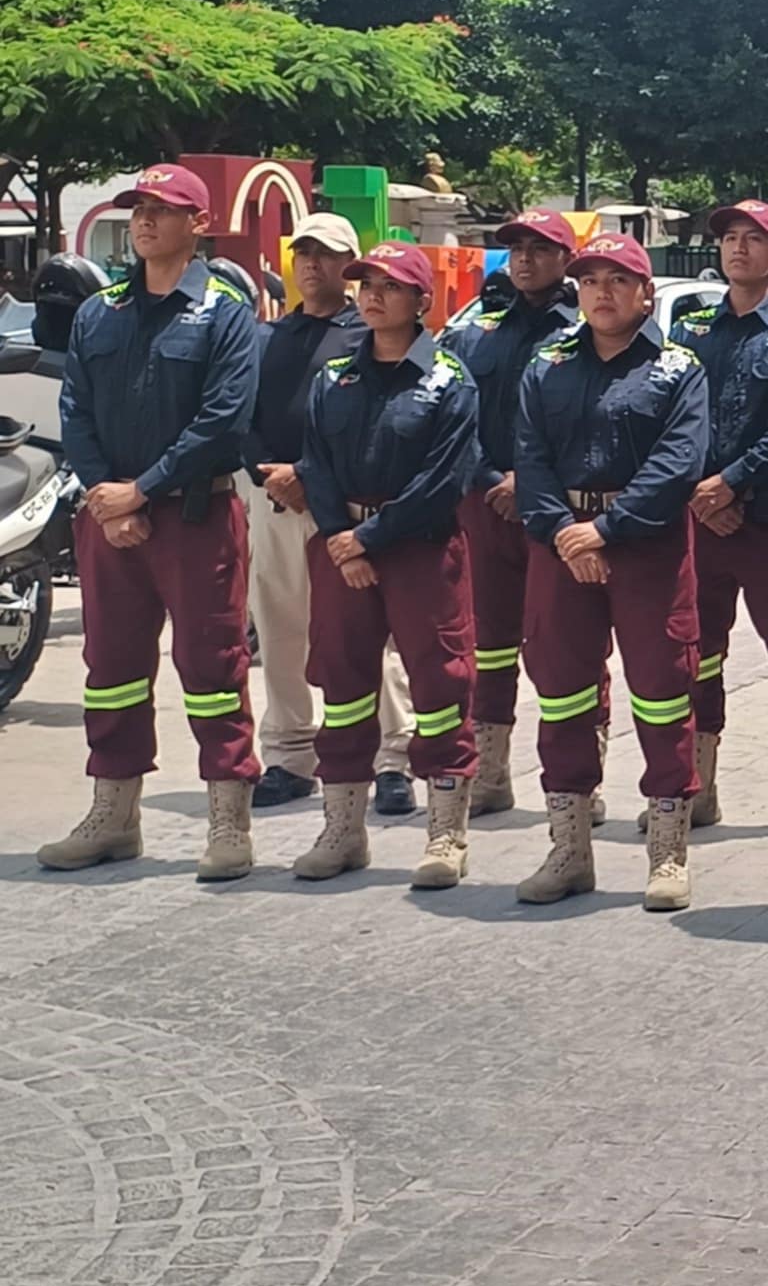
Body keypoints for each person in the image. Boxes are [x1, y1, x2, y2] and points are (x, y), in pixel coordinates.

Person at [39, 163, 263, 880]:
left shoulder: (225, 311)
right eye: (137, 208)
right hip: (109, 521)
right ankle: (114, 813)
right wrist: (107, 492)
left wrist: (144, 490)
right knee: (110, 671)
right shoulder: (100, 312)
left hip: (193, 516)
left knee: (212, 669)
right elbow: (75, 405)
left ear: (199, 225)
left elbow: (223, 418)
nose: (144, 221)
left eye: (163, 210)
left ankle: (229, 821)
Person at [513, 235, 712, 909]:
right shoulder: (547, 366)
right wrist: (566, 533)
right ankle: (568, 850)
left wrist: (606, 528)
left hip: (645, 548)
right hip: (562, 545)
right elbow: (530, 457)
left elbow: (678, 463)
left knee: (662, 694)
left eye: (617, 280)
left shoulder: (678, 368)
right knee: (562, 692)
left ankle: (667, 854)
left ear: (646, 293)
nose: (601, 291)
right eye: (590, 279)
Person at [293, 242, 481, 887]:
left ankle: (445, 832)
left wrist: (370, 538)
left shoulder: (449, 379)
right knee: (342, 687)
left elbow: (443, 478)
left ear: (422, 301)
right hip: (342, 547)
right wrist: (341, 535)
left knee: (440, 686)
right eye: (365, 283)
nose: (372, 295)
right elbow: (313, 461)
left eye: (390, 286)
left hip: (417, 547)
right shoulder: (333, 376)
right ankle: (342, 829)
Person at [242, 213, 418, 816]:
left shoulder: (367, 334)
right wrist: (268, 472)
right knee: (281, 629)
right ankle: (290, 755)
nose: (314, 264)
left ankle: (393, 758)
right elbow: (240, 415)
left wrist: (313, 481)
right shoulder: (269, 336)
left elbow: (380, 424)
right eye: (306, 253)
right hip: (274, 503)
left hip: (343, 509)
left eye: (328, 254)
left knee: (371, 634)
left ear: (351, 264)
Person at [671, 200, 768, 839]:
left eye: (754, 239)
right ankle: (698, 784)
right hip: (696, 522)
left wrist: (733, 484)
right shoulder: (691, 330)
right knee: (695, 656)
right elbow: (670, 416)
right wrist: (696, 490)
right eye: (730, 238)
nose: (738, 249)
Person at [442, 209, 582, 818]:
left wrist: (532, 481)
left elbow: (593, 419)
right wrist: (490, 477)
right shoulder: (474, 329)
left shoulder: (585, 330)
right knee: (488, 644)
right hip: (485, 500)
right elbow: (450, 414)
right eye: (516, 248)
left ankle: (579, 780)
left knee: (564, 644)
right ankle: (492, 772)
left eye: (539, 248)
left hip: (556, 508)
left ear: (565, 260)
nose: (524, 259)